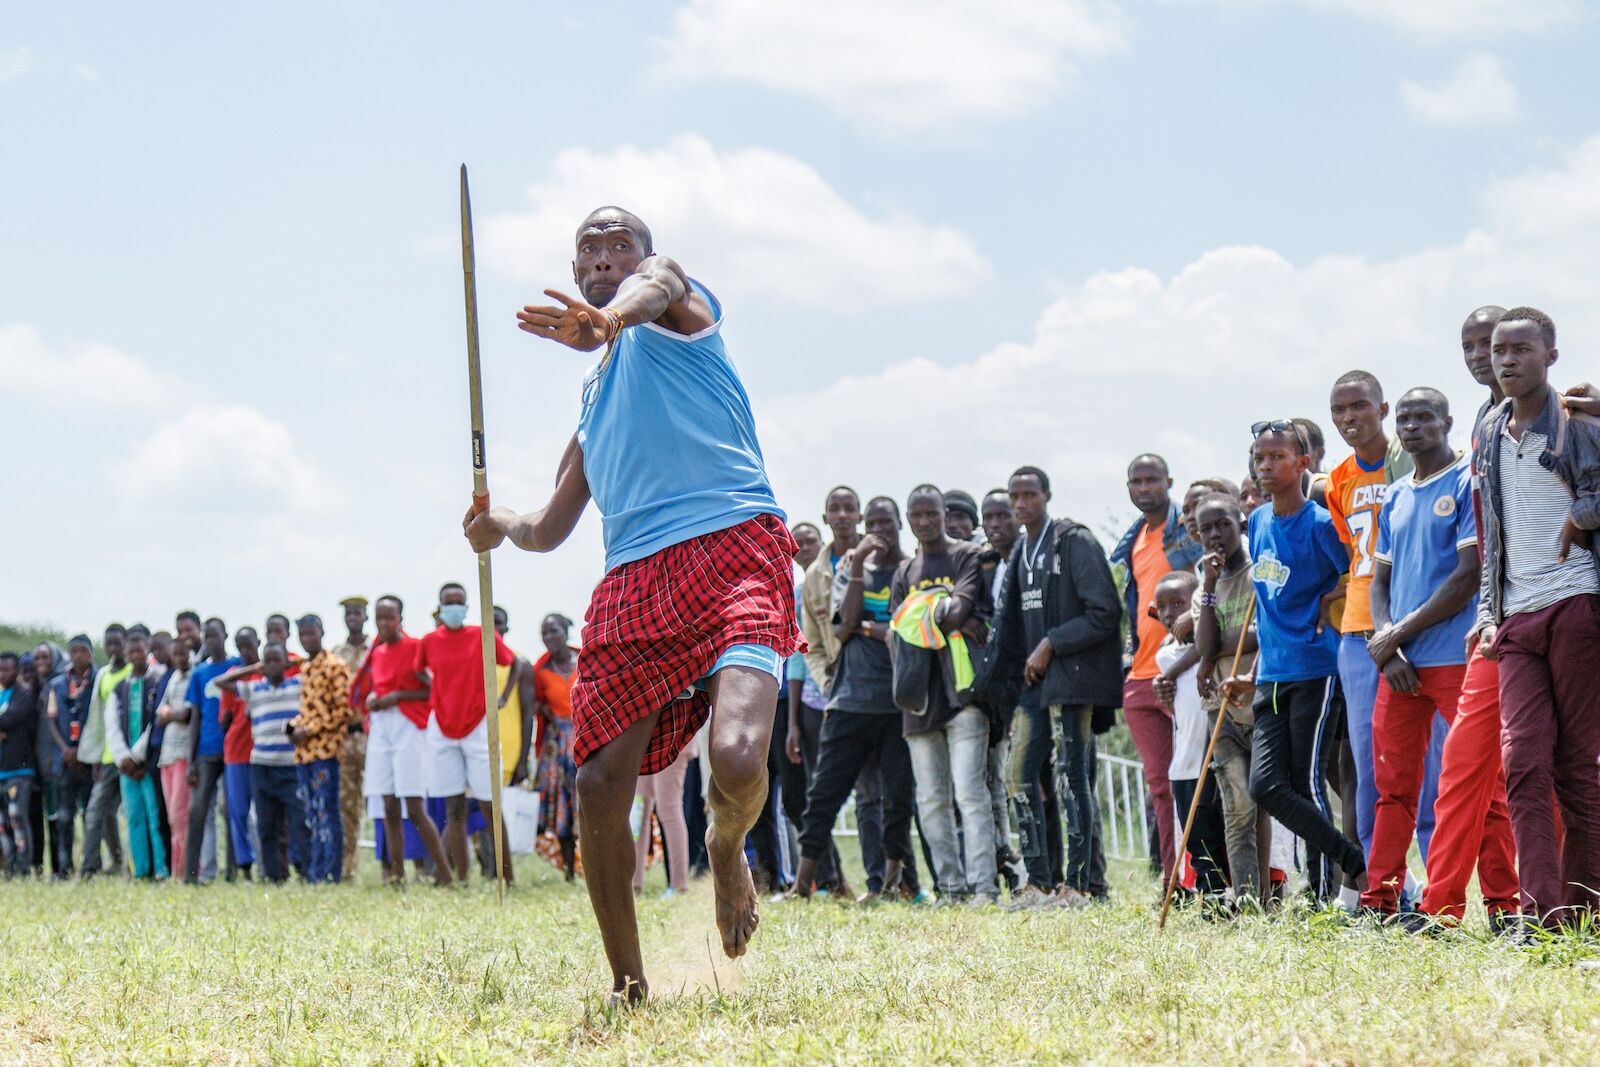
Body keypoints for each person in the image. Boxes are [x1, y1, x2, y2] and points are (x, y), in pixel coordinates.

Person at [464, 207, 805, 1002]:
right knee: (596, 783)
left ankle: (727, 846)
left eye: (622, 245)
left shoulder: (679, 308)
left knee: (737, 758)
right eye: (590, 250)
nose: (607, 258)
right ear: (575, 271)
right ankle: (630, 982)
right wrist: (497, 525)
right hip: (634, 580)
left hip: (734, 547)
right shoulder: (590, 408)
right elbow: (548, 527)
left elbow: (656, 289)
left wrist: (608, 320)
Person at [1472, 307, 1600, 928]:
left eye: (1522, 349)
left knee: (1580, 765)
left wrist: (1581, 517)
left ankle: (1586, 912)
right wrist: (1488, 610)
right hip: (1517, 618)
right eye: (1500, 350)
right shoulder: (1490, 428)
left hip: (1577, 603)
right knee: (1522, 760)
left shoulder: (1579, 422)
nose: (1507, 360)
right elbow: (1488, 532)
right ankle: (1541, 917)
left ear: (1551, 355)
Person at [1358, 389, 1501, 923]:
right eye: (1406, 418)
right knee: (1392, 788)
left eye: (1425, 417)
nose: (1414, 426)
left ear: (1447, 422)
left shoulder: (1467, 483)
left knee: (1483, 787)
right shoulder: (1394, 495)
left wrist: (1394, 635)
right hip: (1398, 667)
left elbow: (1466, 578)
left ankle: (1503, 904)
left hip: (1457, 659)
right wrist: (1385, 644)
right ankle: (1380, 901)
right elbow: (1380, 581)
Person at [1419, 306, 1522, 925]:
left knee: (1541, 767)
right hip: (1494, 618)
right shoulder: (1484, 425)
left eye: (1496, 343)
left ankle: (1538, 904)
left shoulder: (1558, 412)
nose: (1484, 354)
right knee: (1464, 764)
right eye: (1472, 345)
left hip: (1560, 609)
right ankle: (1440, 909)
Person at [1325, 370, 1443, 896]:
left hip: (1418, 627)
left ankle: (1443, 887)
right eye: (1340, 410)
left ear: (1383, 408)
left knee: (1431, 765)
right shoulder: (1336, 480)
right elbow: (1352, 555)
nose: (1351, 418)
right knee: (1371, 767)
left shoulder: (1413, 458)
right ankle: (1385, 887)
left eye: (1360, 407)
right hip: (1359, 632)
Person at [1241, 421, 1365, 900]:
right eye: (1260, 458)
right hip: (1270, 674)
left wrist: (1323, 602)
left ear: (1302, 463)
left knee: (1308, 781)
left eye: (1277, 456)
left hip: (1316, 668)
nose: (1266, 466)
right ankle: (1354, 862)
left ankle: (1321, 895)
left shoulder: (1318, 523)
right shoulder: (1256, 522)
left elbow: (1355, 573)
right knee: (1267, 786)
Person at [988, 466, 1122, 903]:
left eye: (1030, 494)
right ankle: (1039, 881)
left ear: (1047, 496)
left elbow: (1104, 611)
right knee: (1018, 776)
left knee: (1071, 778)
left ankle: (1081, 885)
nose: (1021, 502)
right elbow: (1006, 630)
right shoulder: (1021, 552)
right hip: (1034, 687)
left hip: (1073, 681)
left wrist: (1051, 643)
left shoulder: (1074, 541)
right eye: (1015, 495)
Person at [792, 497, 921, 904]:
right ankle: (802, 885)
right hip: (849, 700)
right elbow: (843, 626)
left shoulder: (910, 569)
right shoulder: (849, 568)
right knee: (824, 795)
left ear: (898, 523)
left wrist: (872, 628)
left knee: (897, 799)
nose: (880, 528)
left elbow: (903, 630)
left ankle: (889, 884)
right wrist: (861, 568)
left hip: (898, 701)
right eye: (876, 521)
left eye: (887, 521)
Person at [892, 485, 995, 903]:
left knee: (970, 794)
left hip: (963, 693)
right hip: (918, 699)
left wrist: (931, 613)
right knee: (931, 801)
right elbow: (904, 630)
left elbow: (961, 611)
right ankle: (951, 889)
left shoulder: (967, 556)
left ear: (942, 513)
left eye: (931, 514)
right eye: (916, 515)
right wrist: (943, 609)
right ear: (909, 519)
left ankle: (984, 888)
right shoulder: (904, 573)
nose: (925, 522)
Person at [1109, 454, 1202, 885]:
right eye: (1136, 481)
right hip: (1140, 675)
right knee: (1161, 788)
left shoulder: (1187, 531)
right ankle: (1173, 879)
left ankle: (1208, 876)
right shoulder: (1133, 541)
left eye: (1152, 480)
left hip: (1184, 665)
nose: (1144, 488)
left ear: (1169, 482)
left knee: (1200, 777)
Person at [797, 486, 883, 898]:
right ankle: (810, 882)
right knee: (826, 791)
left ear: (860, 515)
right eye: (836, 508)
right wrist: (827, 682)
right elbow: (812, 643)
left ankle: (884, 881)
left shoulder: (879, 559)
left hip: (879, 687)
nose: (844, 514)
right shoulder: (814, 575)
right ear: (826, 515)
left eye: (851, 507)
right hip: (839, 692)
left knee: (877, 792)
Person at [1192, 493, 1268, 904]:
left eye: (1223, 524)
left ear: (1240, 522)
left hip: (1256, 698)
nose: (1216, 535)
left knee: (1263, 798)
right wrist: (1206, 585)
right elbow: (1206, 645)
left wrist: (1219, 646)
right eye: (1207, 529)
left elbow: (1263, 633)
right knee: (1236, 807)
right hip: (1218, 709)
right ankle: (1247, 897)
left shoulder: (1259, 572)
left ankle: (1272, 888)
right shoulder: (1206, 580)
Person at [415, 583, 516, 885]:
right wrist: (439, 689)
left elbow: (514, 663)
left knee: (489, 804)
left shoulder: (483, 635)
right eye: (449, 603)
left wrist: (502, 697)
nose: (454, 608)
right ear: (440, 607)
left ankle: (506, 876)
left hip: (478, 725)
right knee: (454, 807)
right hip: (442, 727)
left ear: (468, 606)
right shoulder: (429, 641)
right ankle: (461, 876)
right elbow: (419, 670)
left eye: (459, 603)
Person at [352, 595, 452, 886]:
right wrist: (375, 700)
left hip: (408, 726)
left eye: (389, 618)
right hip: (382, 728)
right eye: (379, 618)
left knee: (414, 805)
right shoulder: (378, 653)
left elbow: (432, 689)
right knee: (388, 806)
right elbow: (376, 688)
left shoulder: (414, 648)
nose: (384, 624)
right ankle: (396, 876)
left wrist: (397, 697)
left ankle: (445, 875)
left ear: (400, 619)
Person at [1153, 571, 1227, 899]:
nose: (1170, 613)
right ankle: (1210, 896)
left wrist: (1170, 674)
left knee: (1220, 830)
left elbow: (1206, 645)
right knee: (1197, 837)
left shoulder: (1208, 645)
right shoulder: (1164, 652)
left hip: (1212, 757)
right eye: (1162, 606)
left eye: (1178, 604)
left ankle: (1229, 893)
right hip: (1184, 762)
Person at [214, 644, 306, 884]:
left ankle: (305, 871)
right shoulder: (254, 688)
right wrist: (255, 667)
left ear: (286, 663)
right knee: (266, 824)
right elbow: (221, 682)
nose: (272, 665)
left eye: (277, 660)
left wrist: (293, 663)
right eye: (268, 661)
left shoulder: (298, 686)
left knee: (298, 820)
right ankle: (274, 875)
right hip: (261, 765)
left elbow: (312, 668)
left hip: (290, 765)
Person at [979, 489, 1027, 895]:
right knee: (1006, 782)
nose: (996, 525)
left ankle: (1047, 875)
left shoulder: (1033, 556)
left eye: (1003, 515)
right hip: (1001, 697)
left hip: (1035, 687)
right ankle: (1020, 870)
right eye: (988, 517)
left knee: (1034, 782)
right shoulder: (989, 566)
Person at [287, 615, 352, 884]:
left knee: (327, 813)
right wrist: (293, 728)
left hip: (325, 752)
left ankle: (331, 872)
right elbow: (306, 711)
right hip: (304, 753)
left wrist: (309, 729)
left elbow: (344, 710)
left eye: (311, 634)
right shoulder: (306, 668)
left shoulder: (335, 666)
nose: (307, 639)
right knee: (311, 815)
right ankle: (315, 872)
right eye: (302, 635)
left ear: (322, 632)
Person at [104, 632, 167, 879]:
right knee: (133, 818)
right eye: (131, 652)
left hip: (148, 761)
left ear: (147, 651)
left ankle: (161, 868)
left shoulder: (157, 681)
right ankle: (140, 870)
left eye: (139, 651)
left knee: (155, 817)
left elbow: (154, 722)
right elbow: (112, 726)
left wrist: (138, 756)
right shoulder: (121, 687)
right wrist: (123, 758)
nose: (135, 656)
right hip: (126, 767)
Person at [183, 618, 241, 883]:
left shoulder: (236, 667)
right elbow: (194, 718)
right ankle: (191, 875)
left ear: (225, 635)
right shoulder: (199, 674)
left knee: (232, 811)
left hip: (233, 750)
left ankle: (232, 872)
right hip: (206, 751)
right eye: (207, 636)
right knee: (197, 812)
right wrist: (190, 760)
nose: (210, 640)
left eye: (215, 635)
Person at [78, 624, 131, 878]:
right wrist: (96, 756)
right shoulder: (104, 675)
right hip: (108, 757)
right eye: (108, 643)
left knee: (133, 814)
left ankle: (137, 867)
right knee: (96, 810)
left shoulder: (136, 671)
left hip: (132, 758)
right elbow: (96, 719)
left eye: (116, 642)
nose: (112, 648)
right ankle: (91, 868)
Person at [532, 613, 580, 881]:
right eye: (544, 633)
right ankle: (569, 871)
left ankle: (595, 867)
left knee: (585, 801)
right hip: (557, 745)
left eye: (554, 631)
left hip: (584, 736)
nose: (549, 637)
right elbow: (537, 704)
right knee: (561, 806)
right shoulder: (542, 671)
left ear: (566, 631)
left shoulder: (584, 661)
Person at [44, 635, 96, 878]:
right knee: (65, 817)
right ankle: (64, 867)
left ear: (90, 654)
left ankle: (90, 866)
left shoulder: (97, 680)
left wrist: (82, 750)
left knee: (90, 815)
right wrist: (65, 749)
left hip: (88, 758)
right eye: (73, 651)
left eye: (82, 651)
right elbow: (51, 719)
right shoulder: (57, 684)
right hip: (65, 759)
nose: (78, 655)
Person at [214, 625, 262, 882]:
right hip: (236, 753)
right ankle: (244, 866)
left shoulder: (268, 674)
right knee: (238, 812)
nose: (246, 650)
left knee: (264, 812)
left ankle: (268, 865)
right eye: (241, 646)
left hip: (262, 753)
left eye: (250, 644)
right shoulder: (234, 676)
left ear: (259, 642)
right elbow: (225, 718)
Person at [331, 595, 370, 883]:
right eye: (349, 613)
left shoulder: (377, 648)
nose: (353, 616)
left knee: (388, 802)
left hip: (374, 735)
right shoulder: (336, 654)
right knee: (347, 806)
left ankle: (399, 867)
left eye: (358, 612)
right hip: (346, 736)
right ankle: (348, 869)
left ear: (365, 616)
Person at [154, 637, 194, 881]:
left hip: (183, 753)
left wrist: (171, 714)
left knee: (180, 817)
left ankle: (185, 870)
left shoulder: (194, 677)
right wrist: (170, 714)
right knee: (171, 818)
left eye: (183, 654)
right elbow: (161, 716)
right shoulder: (172, 679)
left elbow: (186, 714)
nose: (179, 658)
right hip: (166, 754)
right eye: (175, 654)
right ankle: (175, 869)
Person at [0, 652, 38, 876]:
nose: (3, 674)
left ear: (16, 671)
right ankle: (9, 864)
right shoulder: (2, 693)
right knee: (3, 822)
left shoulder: (23, 694)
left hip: (19, 771)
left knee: (18, 819)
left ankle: (24, 867)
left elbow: (13, 718)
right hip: (2, 771)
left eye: (7, 669)